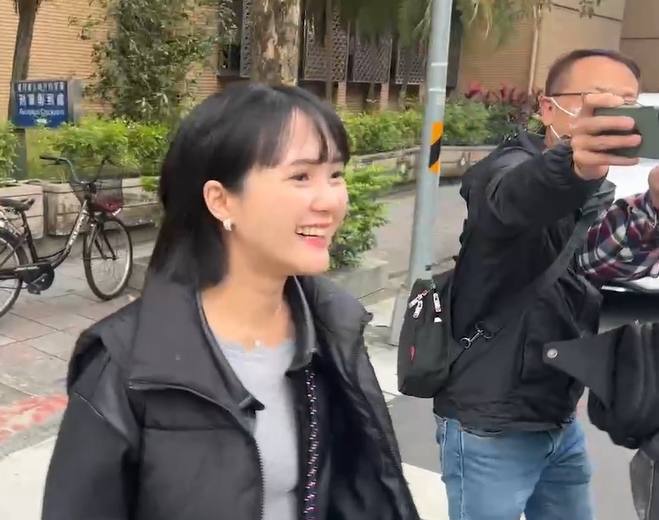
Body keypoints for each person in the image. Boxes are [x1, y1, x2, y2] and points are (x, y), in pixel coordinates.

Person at [40, 84, 420, 520]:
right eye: (301, 176)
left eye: (335, 174)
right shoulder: (126, 366)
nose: (332, 201)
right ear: (221, 201)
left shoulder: (333, 331)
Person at [434, 48, 659, 520]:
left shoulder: (597, 188)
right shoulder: (505, 169)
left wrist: (654, 205)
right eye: (597, 99)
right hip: (488, 421)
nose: (612, 114)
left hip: (557, 413)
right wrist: (573, 166)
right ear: (548, 108)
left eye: (626, 104)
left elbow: (597, 262)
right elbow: (510, 201)